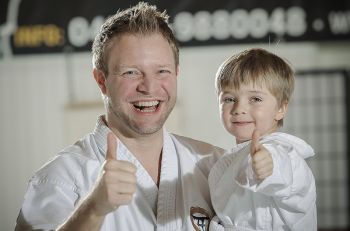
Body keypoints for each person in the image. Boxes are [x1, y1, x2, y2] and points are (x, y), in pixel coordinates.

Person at [15, 2, 224, 230]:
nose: (149, 87)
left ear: (176, 73)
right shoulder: (61, 178)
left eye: (162, 71)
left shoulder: (213, 166)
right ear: (101, 81)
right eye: (131, 72)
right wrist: (94, 209)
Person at [208, 48, 317, 231]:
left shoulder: (281, 152)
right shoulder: (231, 158)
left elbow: (282, 171)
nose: (239, 108)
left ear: (281, 109)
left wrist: (268, 167)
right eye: (229, 99)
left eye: (255, 98)